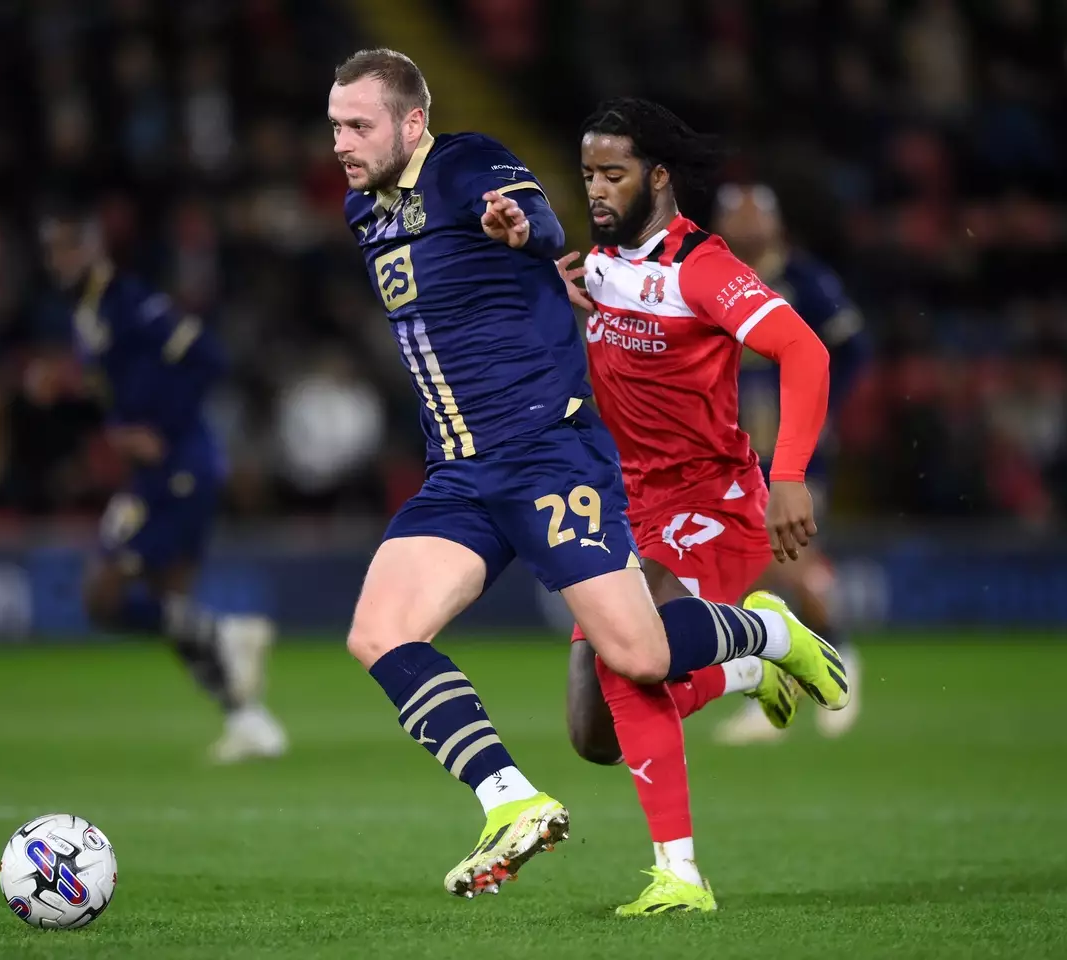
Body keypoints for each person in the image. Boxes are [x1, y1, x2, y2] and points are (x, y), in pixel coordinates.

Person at [329, 51, 848, 901]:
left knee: (636, 657)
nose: (342, 143)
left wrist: (521, 230)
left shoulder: (469, 164)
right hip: (459, 471)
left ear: (411, 123)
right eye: (335, 126)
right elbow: (564, 275)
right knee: (381, 633)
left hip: (543, 456)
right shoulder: (365, 208)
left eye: (359, 125)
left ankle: (767, 638)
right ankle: (511, 802)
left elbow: (539, 221)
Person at [556, 98, 838, 915]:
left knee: (632, 654)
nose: (597, 192)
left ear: (659, 176)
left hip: (706, 498)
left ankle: (679, 875)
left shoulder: (704, 267)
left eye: (613, 174)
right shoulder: (601, 264)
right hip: (625, 500)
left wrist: (789, 474)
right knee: (592, 733)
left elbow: (804, 350)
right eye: (587, 176)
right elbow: (602, 293)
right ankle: (754, 656)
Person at [40, 199, 287, 765]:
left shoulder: (128, 301)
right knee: (168, 603)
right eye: (50, 251)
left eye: (66, 247)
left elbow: (208, 356)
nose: (57, 261)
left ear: (91, 247)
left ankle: (224, 636)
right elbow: (131, 379)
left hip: (179, 466)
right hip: (170, 468)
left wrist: (158, 426)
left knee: (103, 594)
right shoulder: (89, 310)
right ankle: (248, 720)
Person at [708, 183, 870, 744]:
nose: (747, 233)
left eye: (755, 222)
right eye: (738, 221)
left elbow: (852, 347)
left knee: (787, 555)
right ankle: (779, 681)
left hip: (794, 450)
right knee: (756, 566)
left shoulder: (804, 280)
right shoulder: (715, 276)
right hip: (736, 445)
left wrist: (822, 412)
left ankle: (836, 657)